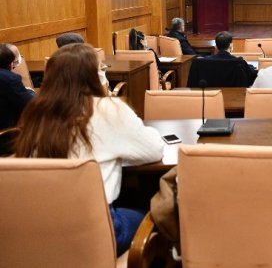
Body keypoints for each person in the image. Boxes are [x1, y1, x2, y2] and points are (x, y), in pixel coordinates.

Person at [14, 44, 163, 256]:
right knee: (155, 210)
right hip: (96, 228)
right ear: (93, 76)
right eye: (101, 69)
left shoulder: (35, 112)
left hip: (37, 227)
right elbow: (154, 150)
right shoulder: (108, 109)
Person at [187, 31, 257, 87]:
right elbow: (251, 77)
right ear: (231, 45)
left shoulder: (200, 62)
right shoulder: (239, 62)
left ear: (216, 46)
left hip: (210, 98)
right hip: (233, 97)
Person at [0, 43, 36, 131]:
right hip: (7, 132)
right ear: (11, 63)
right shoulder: (10, 79)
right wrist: (30, 92)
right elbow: (30, 104)